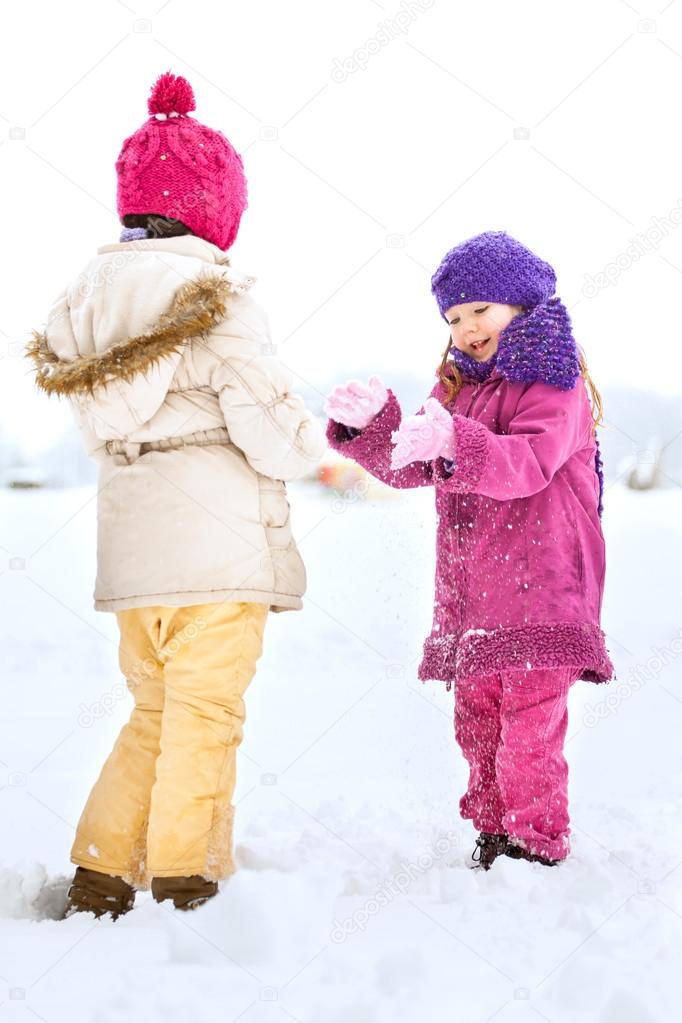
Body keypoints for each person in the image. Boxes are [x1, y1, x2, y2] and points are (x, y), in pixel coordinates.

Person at [26, 71, 326, 917]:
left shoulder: (84, 306)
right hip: (218, 553)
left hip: (133, 553)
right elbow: (269, 426)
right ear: (214, 212)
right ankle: (188, 879)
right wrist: (318, 441)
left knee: (153, 709)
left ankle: (102, 868)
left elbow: (100, 424)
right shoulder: (216, 301)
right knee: (206, 712)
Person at [323, 230, 614, 870]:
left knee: (529, 732)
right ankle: (493, 831)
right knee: (478, 723)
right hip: (477, 594)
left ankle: (533, 844)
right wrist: (376, 428)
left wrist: (454, 441)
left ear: (521, 306)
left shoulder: (552, 385)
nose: (465, 327)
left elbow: (529, 463)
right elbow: (411, 466)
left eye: (480, 309)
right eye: (453, 317)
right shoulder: (455, 389)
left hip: (544, 588)